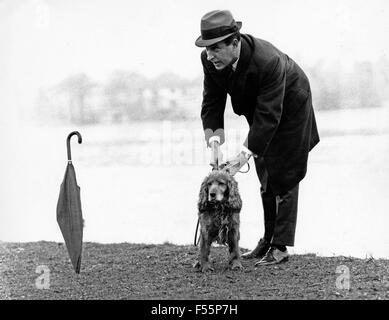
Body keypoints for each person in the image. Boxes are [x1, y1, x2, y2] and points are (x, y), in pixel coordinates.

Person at [195, 10, 319, 266]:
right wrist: (215, 142)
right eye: (207, 49)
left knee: (285, 172)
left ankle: (280, 247)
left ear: (235, 41)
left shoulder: (268, 60)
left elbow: (270, 114)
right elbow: (212, 102)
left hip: (291, 107)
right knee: (264, 169)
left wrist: (243, 155)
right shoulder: (210, 61)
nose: (210, 55)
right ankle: (267, 239)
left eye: (215, 48)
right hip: (262, 109)